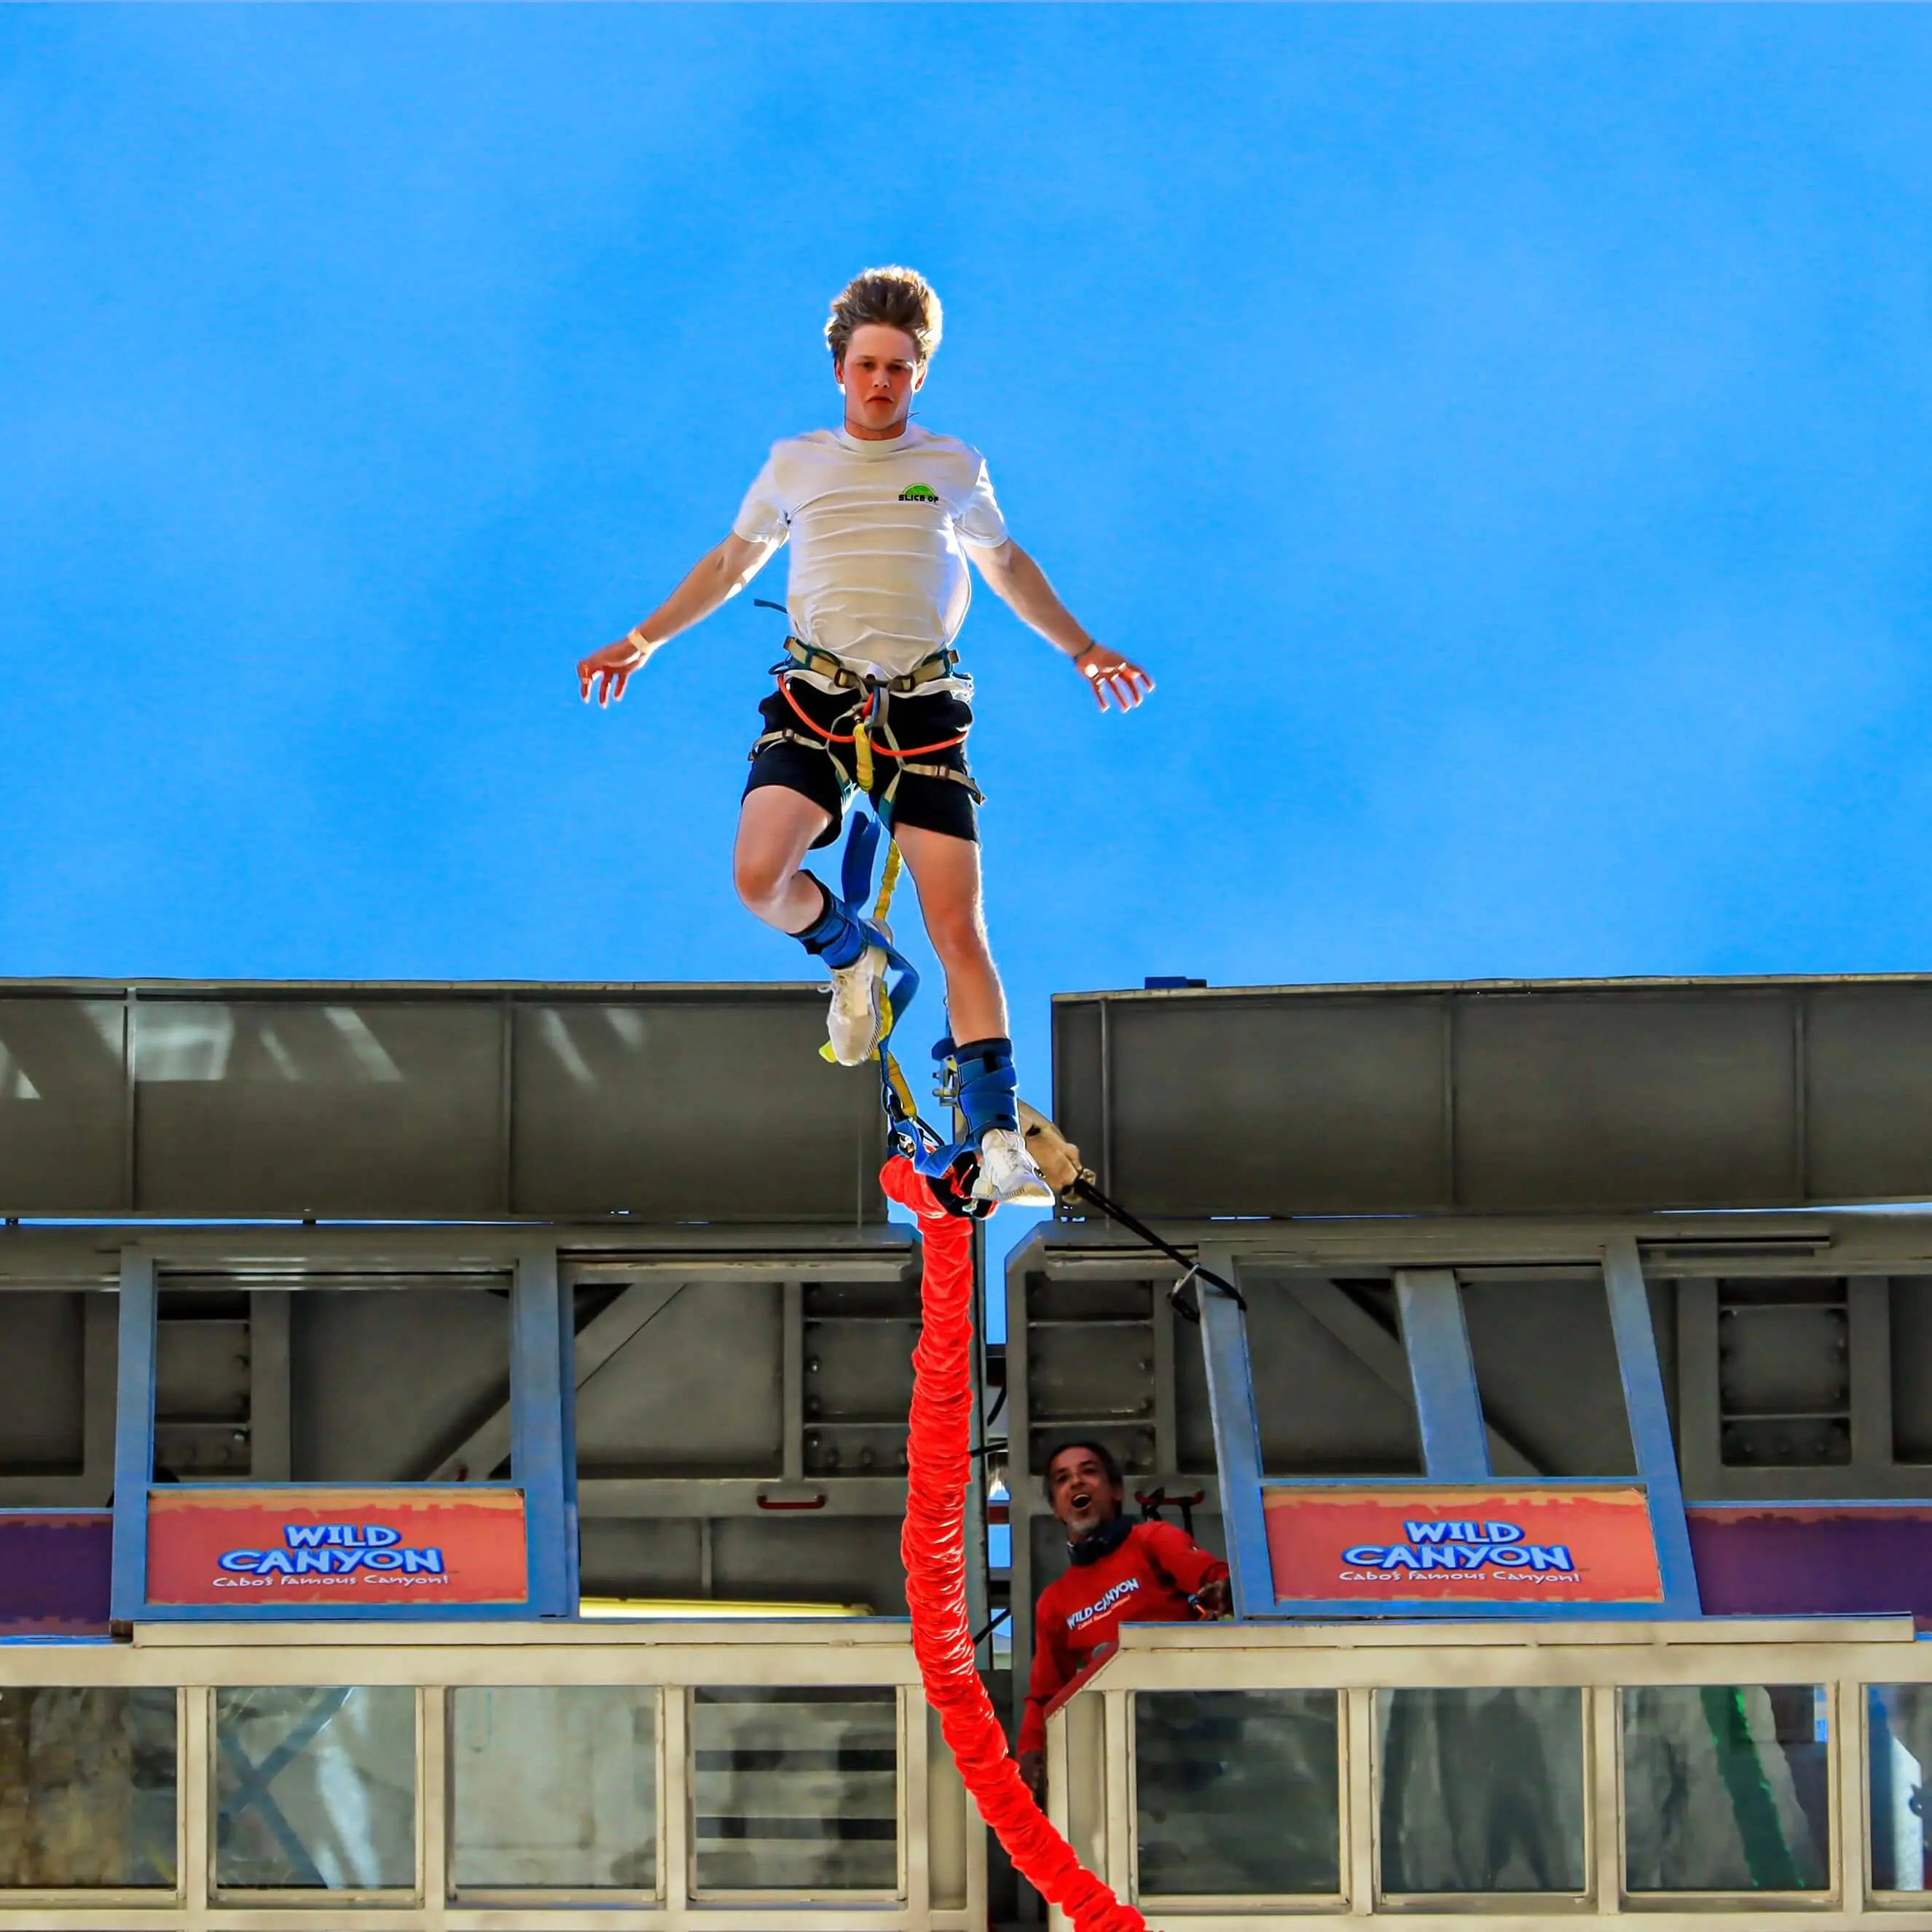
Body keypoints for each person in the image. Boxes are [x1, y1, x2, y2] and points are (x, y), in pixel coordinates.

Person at [576, 267, 1152, 1204]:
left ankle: (996, 1132)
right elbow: (732, 562)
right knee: (759, 876)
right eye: (866, 365)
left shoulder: (955, 466)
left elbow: (1005, 566)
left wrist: (1083, 648)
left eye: (898, 366)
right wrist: (642, 641)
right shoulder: (796, 462)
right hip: (816, 702)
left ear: (918, 374)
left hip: (922, 714)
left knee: (960, 925)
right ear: (841, 369)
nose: (880, 381)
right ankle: (852, 955)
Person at [1016, 1439, 1230, 1797]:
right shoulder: (1054, 1602)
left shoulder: (1152, 1540)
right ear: (1056, 1507)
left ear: (1116, 1491)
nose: (1077, 1482)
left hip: (1196, 1743)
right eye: (1062, 1479)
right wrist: (1030, 1752)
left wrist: (1221, 1589)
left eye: (1089, 1472)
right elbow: (1044, 1695)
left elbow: (1214, 1576)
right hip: (1118, 1762)